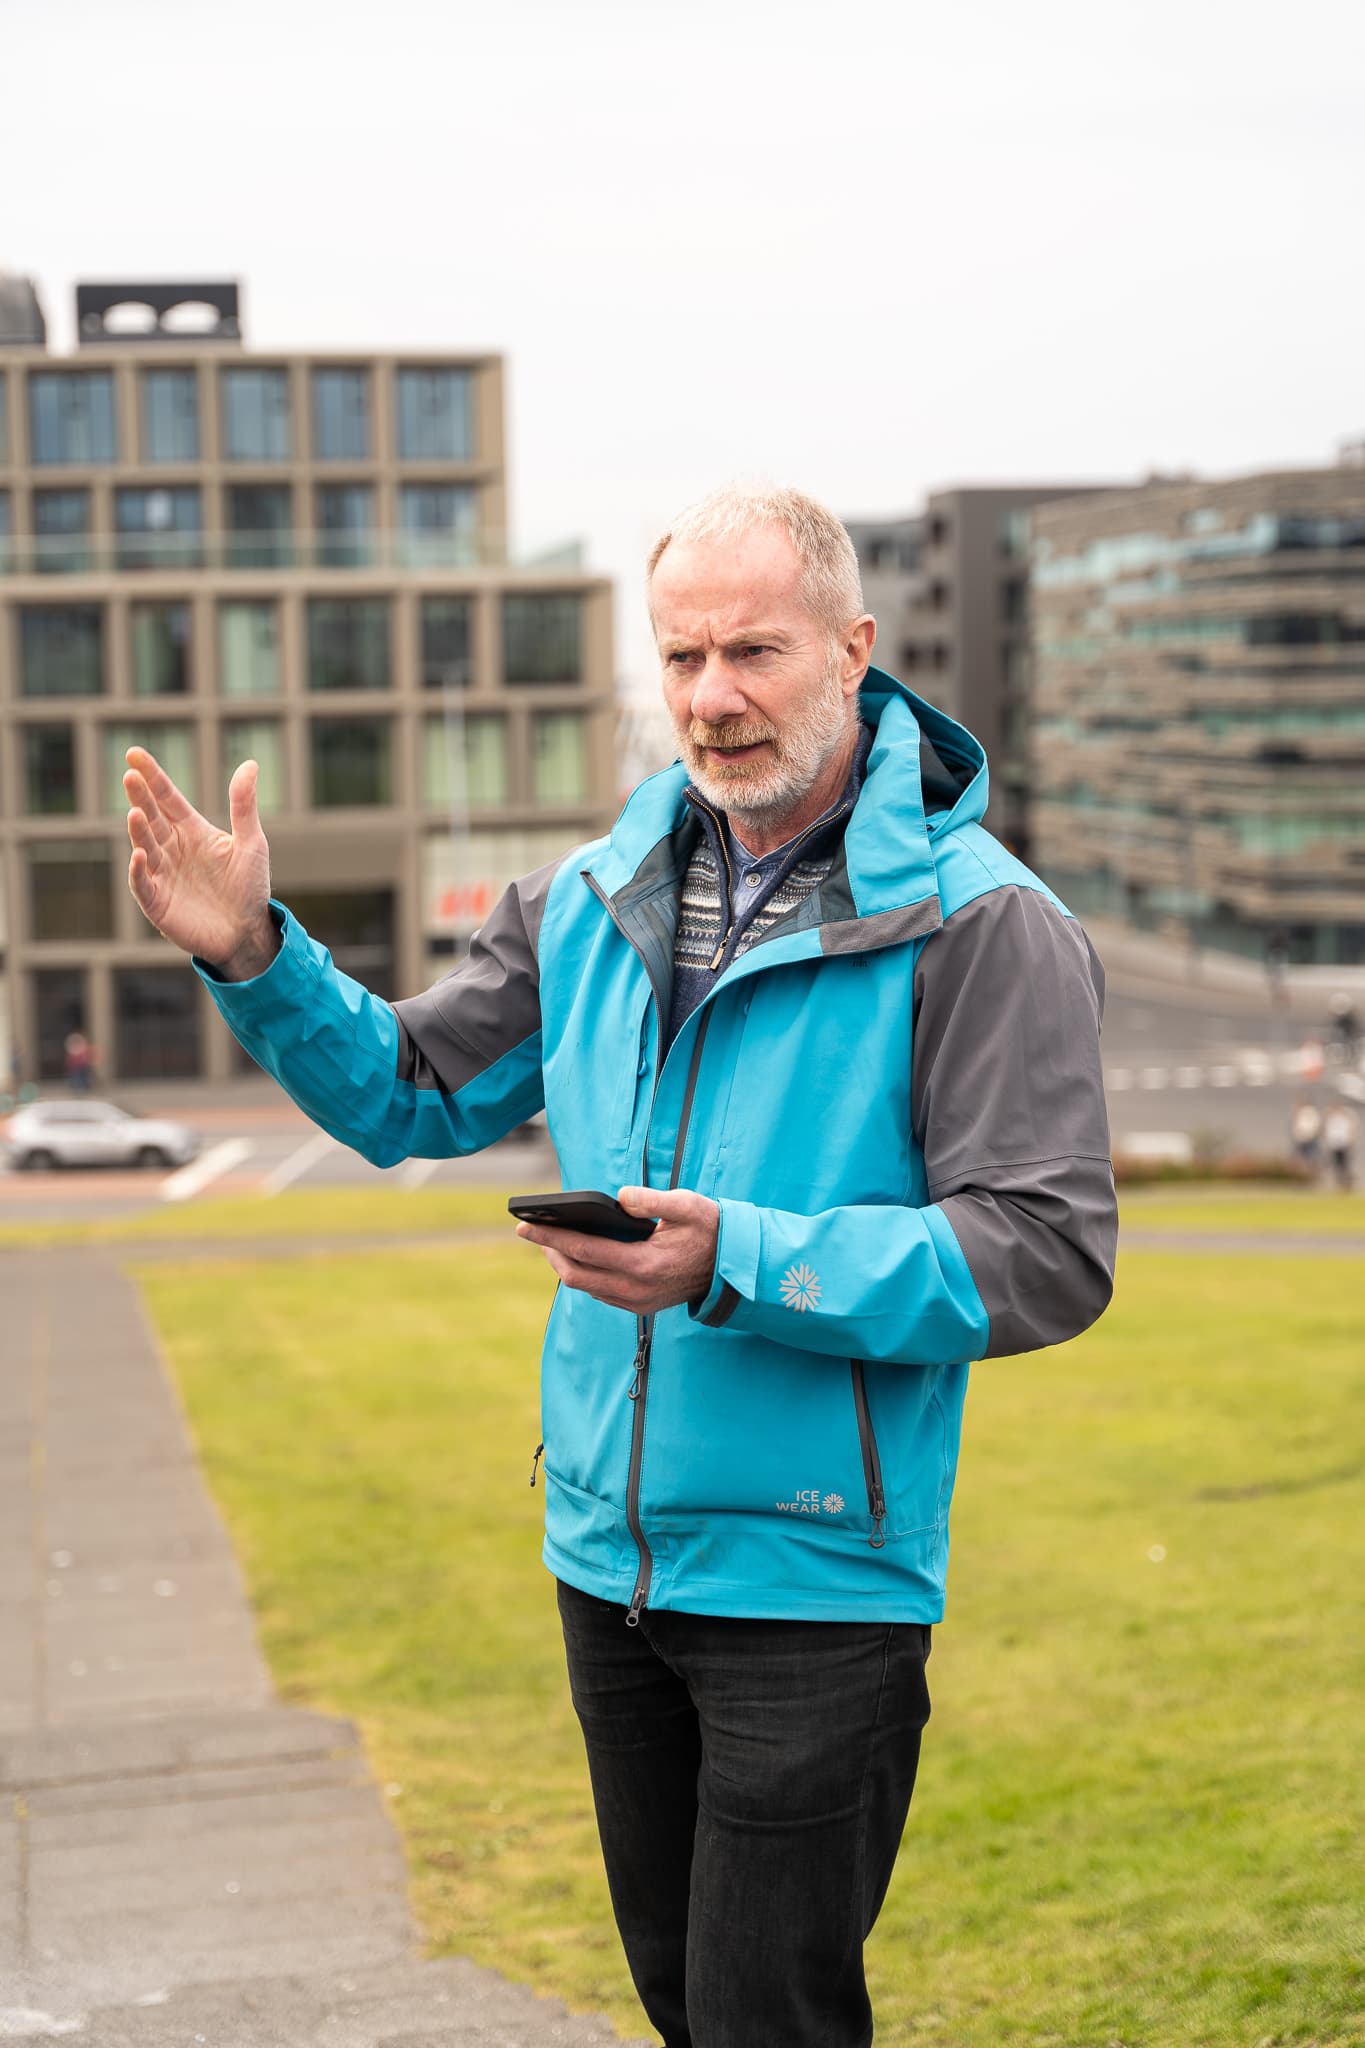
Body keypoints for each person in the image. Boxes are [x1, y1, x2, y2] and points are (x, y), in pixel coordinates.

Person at [123, 486, 1117, 2048]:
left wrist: (742, 1264)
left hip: (816, 1581)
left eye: (755, 653)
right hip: (607, 1568)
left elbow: (1044, 1250)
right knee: (678, 1999)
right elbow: (407, 1090)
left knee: (759, 2017)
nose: (713, 698)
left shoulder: (986, 928)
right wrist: (256, 956)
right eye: (681, 657)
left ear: (855, 649)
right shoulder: (591, 897)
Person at [1322, 1102, 1358, 1191]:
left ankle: (1347, 1184)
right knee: (1336, 1166)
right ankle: (1339, 1184)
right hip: (1334, 1145)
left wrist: (1350, 1141)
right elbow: (1326, 1131)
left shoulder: (1345, 1119)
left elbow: (1351, 1130)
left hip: (1343, 1145)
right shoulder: (1331, 1119)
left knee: (1344, 1166)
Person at [1289, 1097, 1323, 1177]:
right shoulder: (1300, 1112)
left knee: (1310, 1157)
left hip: (1310, 1139)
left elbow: (1316, 1126)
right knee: (1300, 1157)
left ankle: (1310, 1174)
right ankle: (1300, 1174)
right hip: (1301, 1139)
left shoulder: (1311, 1112)